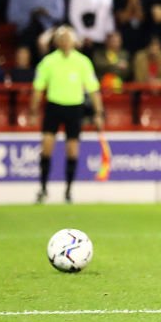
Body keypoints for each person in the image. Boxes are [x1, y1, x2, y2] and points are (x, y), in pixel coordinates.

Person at [29, 26, 105, 204]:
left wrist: (98, 113)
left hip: (74, 108)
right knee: (46, 148)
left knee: (72, 150)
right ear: (56, 42)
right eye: (61, 39)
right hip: (53, 107)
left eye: (68, 38)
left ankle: (69, 190)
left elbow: (93, 89)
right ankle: (43, 188)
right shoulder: (48, 61)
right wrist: (33, 110)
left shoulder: (82, 62)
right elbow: (38, 88)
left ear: (74, 42)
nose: (64, 42)